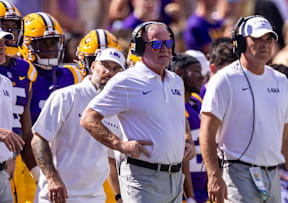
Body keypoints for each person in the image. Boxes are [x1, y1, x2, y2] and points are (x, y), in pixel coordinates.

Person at [80, 21, 195, 203]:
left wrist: (186, 142)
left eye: (168, 43)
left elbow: (176, 119)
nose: (164, 49)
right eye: (157, 44)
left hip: (175, 178)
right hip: (143, 177)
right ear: (140, 48)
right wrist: (120, 145)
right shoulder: (126, 81)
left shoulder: (175, 81)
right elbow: (88, 119)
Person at [199, 15, 288, 203]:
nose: (264, 44)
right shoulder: (224, 80)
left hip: (273, 175)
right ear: (240, 43)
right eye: (257, 39)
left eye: (268, 39)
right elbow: (207, 132)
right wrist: (214, 176)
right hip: (238, 173)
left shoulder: (280, 81)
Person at [31, 48, 126, 203]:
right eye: (105, 65)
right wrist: (52, 178)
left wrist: (119, 196)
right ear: (93, 66)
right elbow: (38, 140)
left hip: (95, 198)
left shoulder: (117, 109)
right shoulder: (65, 96)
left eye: (116, 68)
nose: (109, 71)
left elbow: (110, 159)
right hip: (56, 196)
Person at [0, 1, 38, 202]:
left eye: (11, 27)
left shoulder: (24, 71)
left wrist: (39, 173)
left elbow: (26, 129)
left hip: (12, 160)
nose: (8, 34)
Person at [19, 12, 84, 125]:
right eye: (42, 43)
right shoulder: (22, 76)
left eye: (53, 42)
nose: (49, 48)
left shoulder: (73, 75)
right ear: (26, 44)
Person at [170, 53, 206, 203]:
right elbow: (182, 155)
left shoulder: (197, 100)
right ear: (179, 72)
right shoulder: (174, 106)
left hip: (205, 187)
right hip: (187, 189)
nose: (201, 77)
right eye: (196, 71)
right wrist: (189, 195)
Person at [0, 29, 25, 203]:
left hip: (2, 171)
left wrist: (10, 157)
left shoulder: (6, 82)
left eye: (3, 42)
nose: (2, 46)